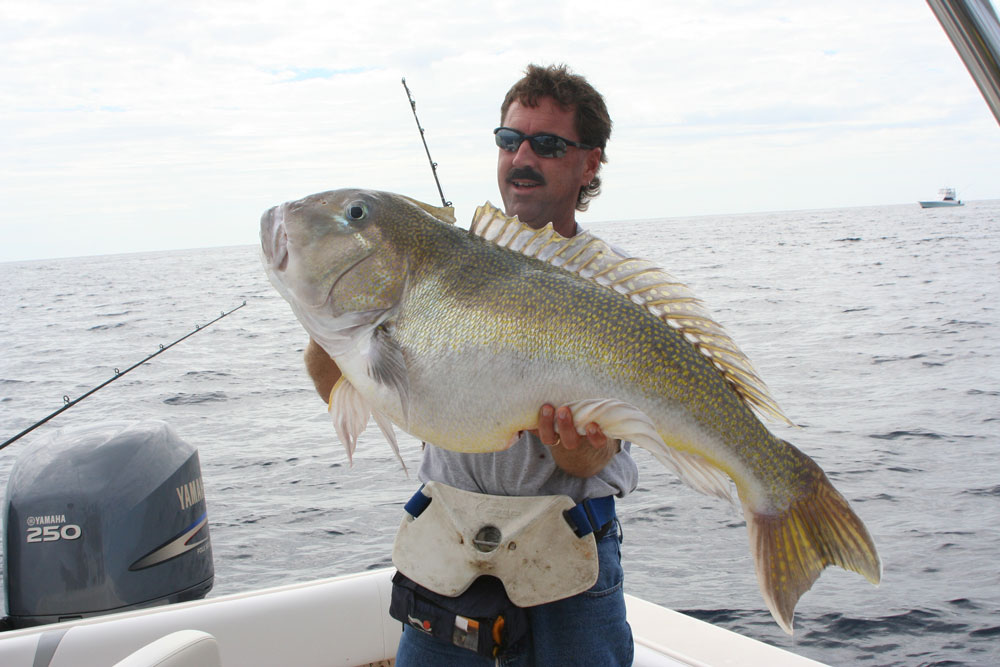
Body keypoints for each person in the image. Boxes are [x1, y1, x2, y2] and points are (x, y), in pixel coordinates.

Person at [305, 64, 637, 666]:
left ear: (589, 164)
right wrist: (334, 324)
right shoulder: (437, 264)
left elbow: (602, 455)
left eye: (548, 144)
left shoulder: (614, 292)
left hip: (571, 559)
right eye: (510, 140)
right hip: (448, 555)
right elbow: (339, 384)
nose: (522, 156)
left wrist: (577, 452)